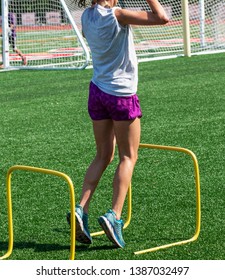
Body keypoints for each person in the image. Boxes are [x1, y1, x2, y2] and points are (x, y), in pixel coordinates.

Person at [67, 0, 169, 248]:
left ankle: (81, 208)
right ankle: (114, 215)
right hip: (121, 94)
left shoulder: (87, 16)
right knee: (128, 157)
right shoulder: (119, 14)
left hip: (97, 92)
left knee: (103, 155)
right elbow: (162, 18)